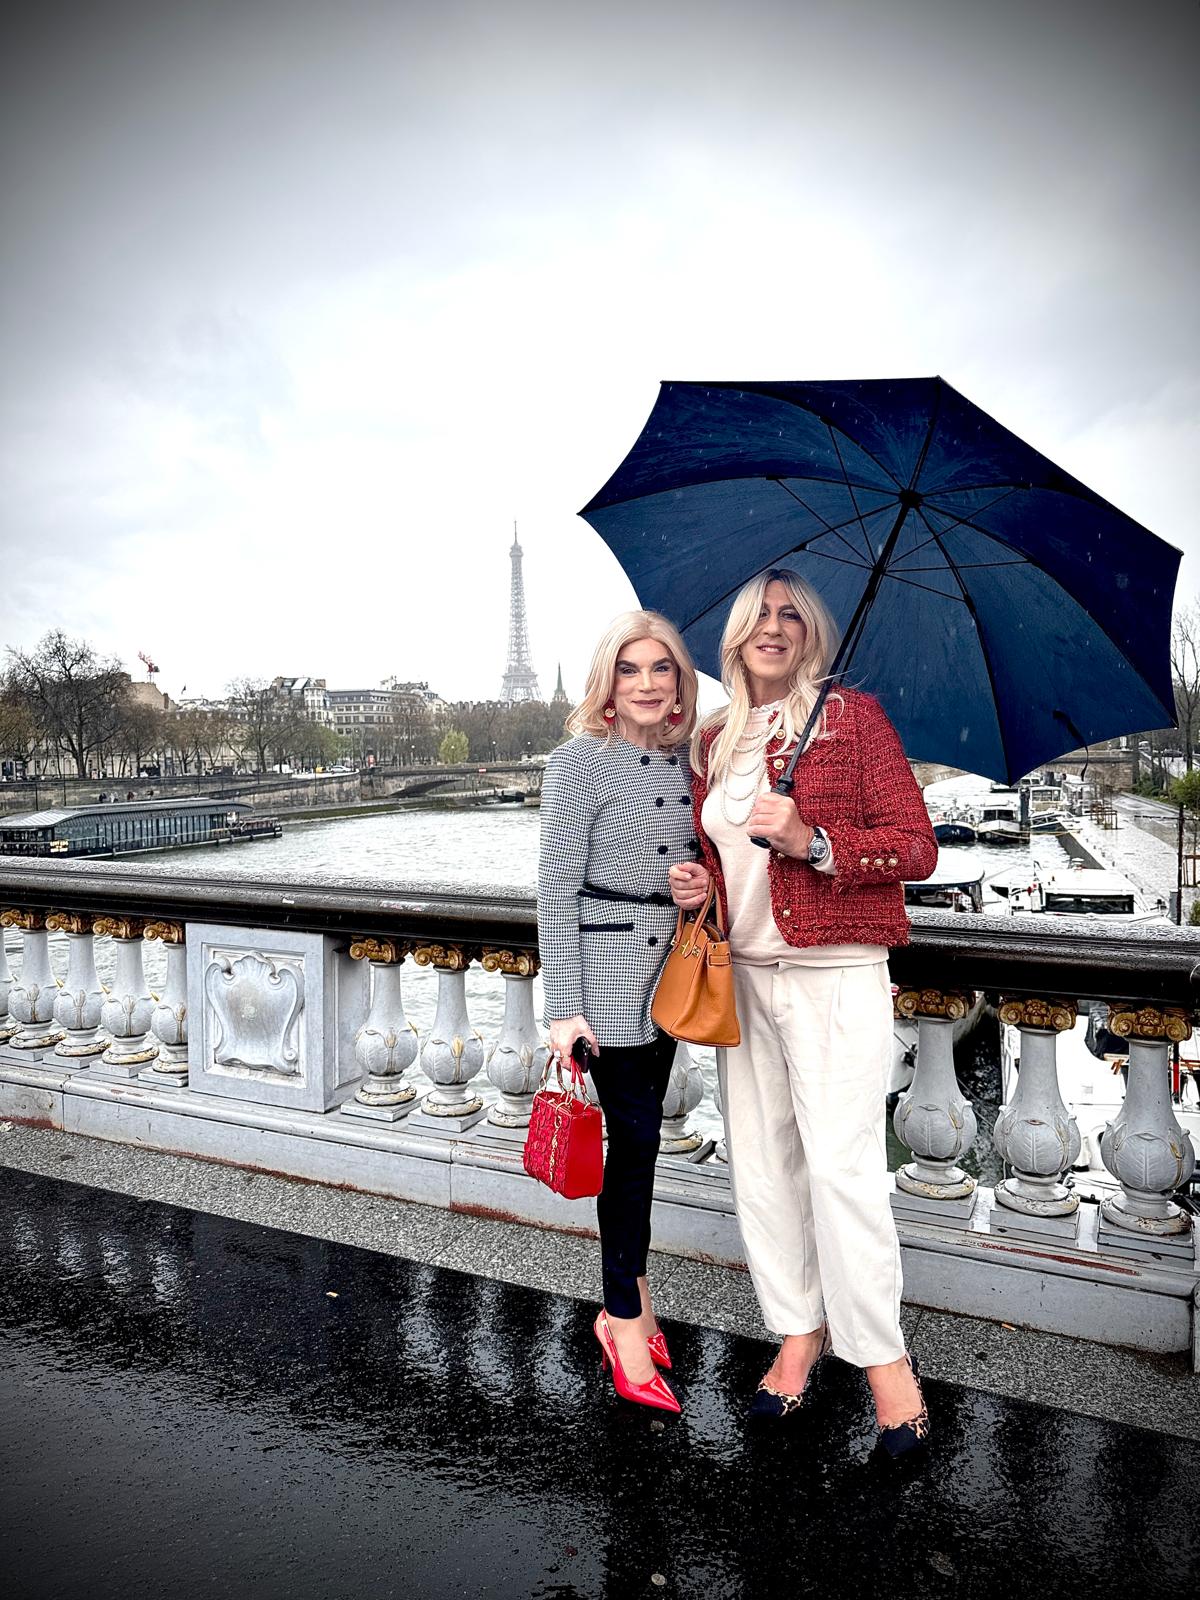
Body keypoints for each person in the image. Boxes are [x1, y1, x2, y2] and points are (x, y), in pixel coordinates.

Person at [670, 568, 938, 1457]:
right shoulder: (713, 739)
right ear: (736, 634)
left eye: (791, 614)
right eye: (759, 615)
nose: (774, 627)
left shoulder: (851, 721)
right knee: (764, 1167)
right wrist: (700, 881)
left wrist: (813, 842)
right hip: (741, 976)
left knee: (841, 1173)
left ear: (811, 633)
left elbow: (916, 846)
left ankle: (884, 1363)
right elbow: (722, 858)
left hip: (834, 973)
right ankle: (797, 1333)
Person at [538, 610, 700, 1415]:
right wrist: (562, 1007)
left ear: (679, 682)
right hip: (603, 982)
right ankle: (624, 1322)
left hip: (669, 976)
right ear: (608, 683)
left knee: (642, 1147)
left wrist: (698, 884)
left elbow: (695, 858)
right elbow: (555, 889)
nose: (646, 683)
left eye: (660, 669)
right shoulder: (577, 763)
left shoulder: (689, 759)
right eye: (630, 669)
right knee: (631, 1149)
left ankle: (630, 1296)